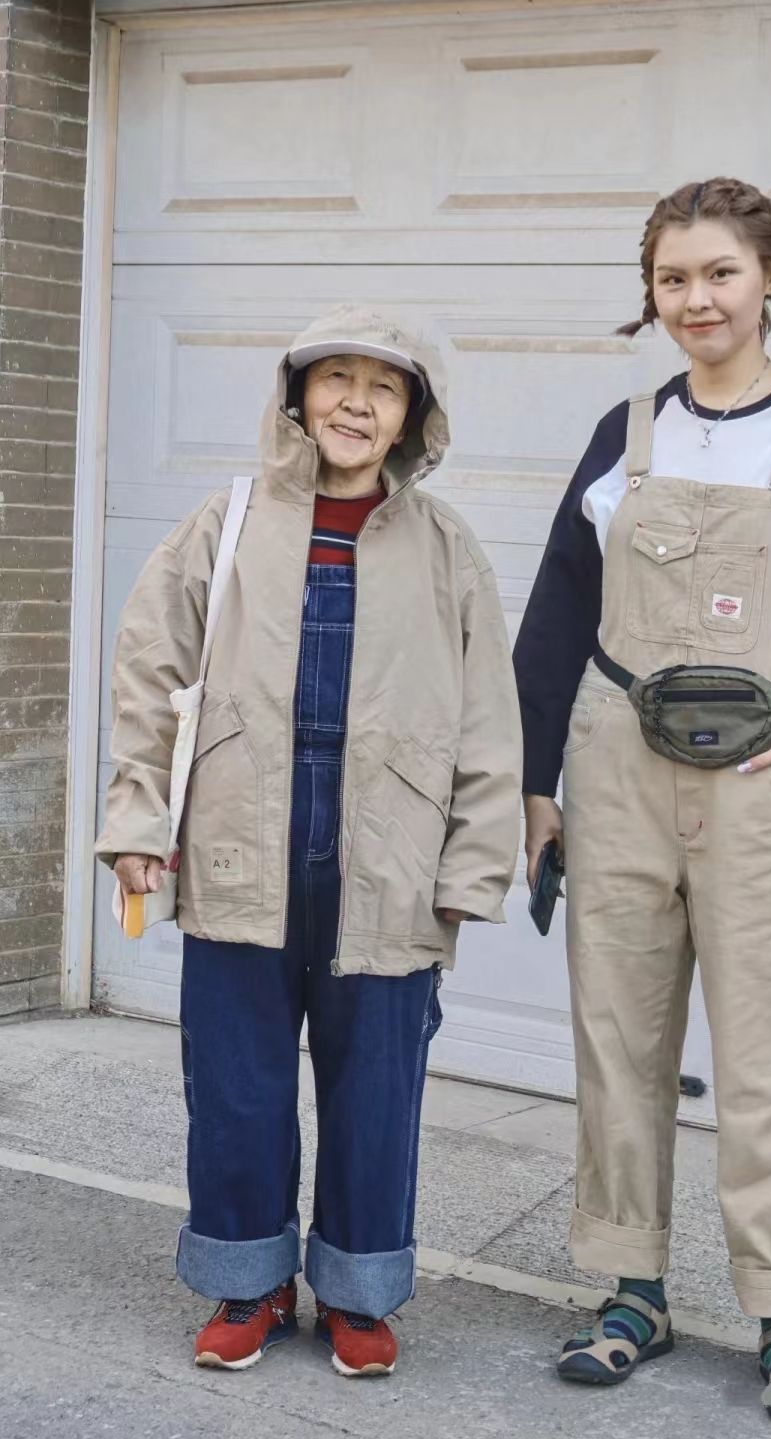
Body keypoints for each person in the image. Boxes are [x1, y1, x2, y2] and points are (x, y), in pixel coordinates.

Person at [514, 178, 771, 1425]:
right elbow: (561, 608)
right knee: (619, 1039)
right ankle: (632, 1291)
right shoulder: (627, 430)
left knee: (767, 1054)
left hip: (757, 775)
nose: (697, 301)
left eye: (720, 274)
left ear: (770, 276)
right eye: (673, 280)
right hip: (616, 763)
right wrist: (533, 781)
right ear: (652, 293)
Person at [96, 306, 522, 1377]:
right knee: (236, 1081)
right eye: (335, 379)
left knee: (377, 1085)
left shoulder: (444, 546)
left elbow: (486, 715)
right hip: (242, 835)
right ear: (296, 399)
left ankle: (359, 1291)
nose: (355, 404)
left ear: (411, 419)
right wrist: (138, 822)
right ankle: (246, 1281)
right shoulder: (226, 521)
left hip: (391, 854)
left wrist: (473, 861)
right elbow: (152, 673)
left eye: (383, 388)